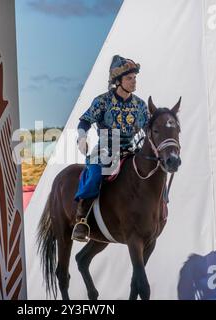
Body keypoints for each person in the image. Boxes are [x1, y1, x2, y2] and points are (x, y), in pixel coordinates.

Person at [72, 55, 150, 241]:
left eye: (134, 78)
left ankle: (159, 209)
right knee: (96, 173)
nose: (133, 82)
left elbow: (149, 128)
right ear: (118, 81)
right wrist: (82, 138)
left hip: (131, 149)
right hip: (107, 148)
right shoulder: (102, 101)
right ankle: (81, 220)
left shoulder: (140, 105)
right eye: (129, 78)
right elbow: (84, 121)